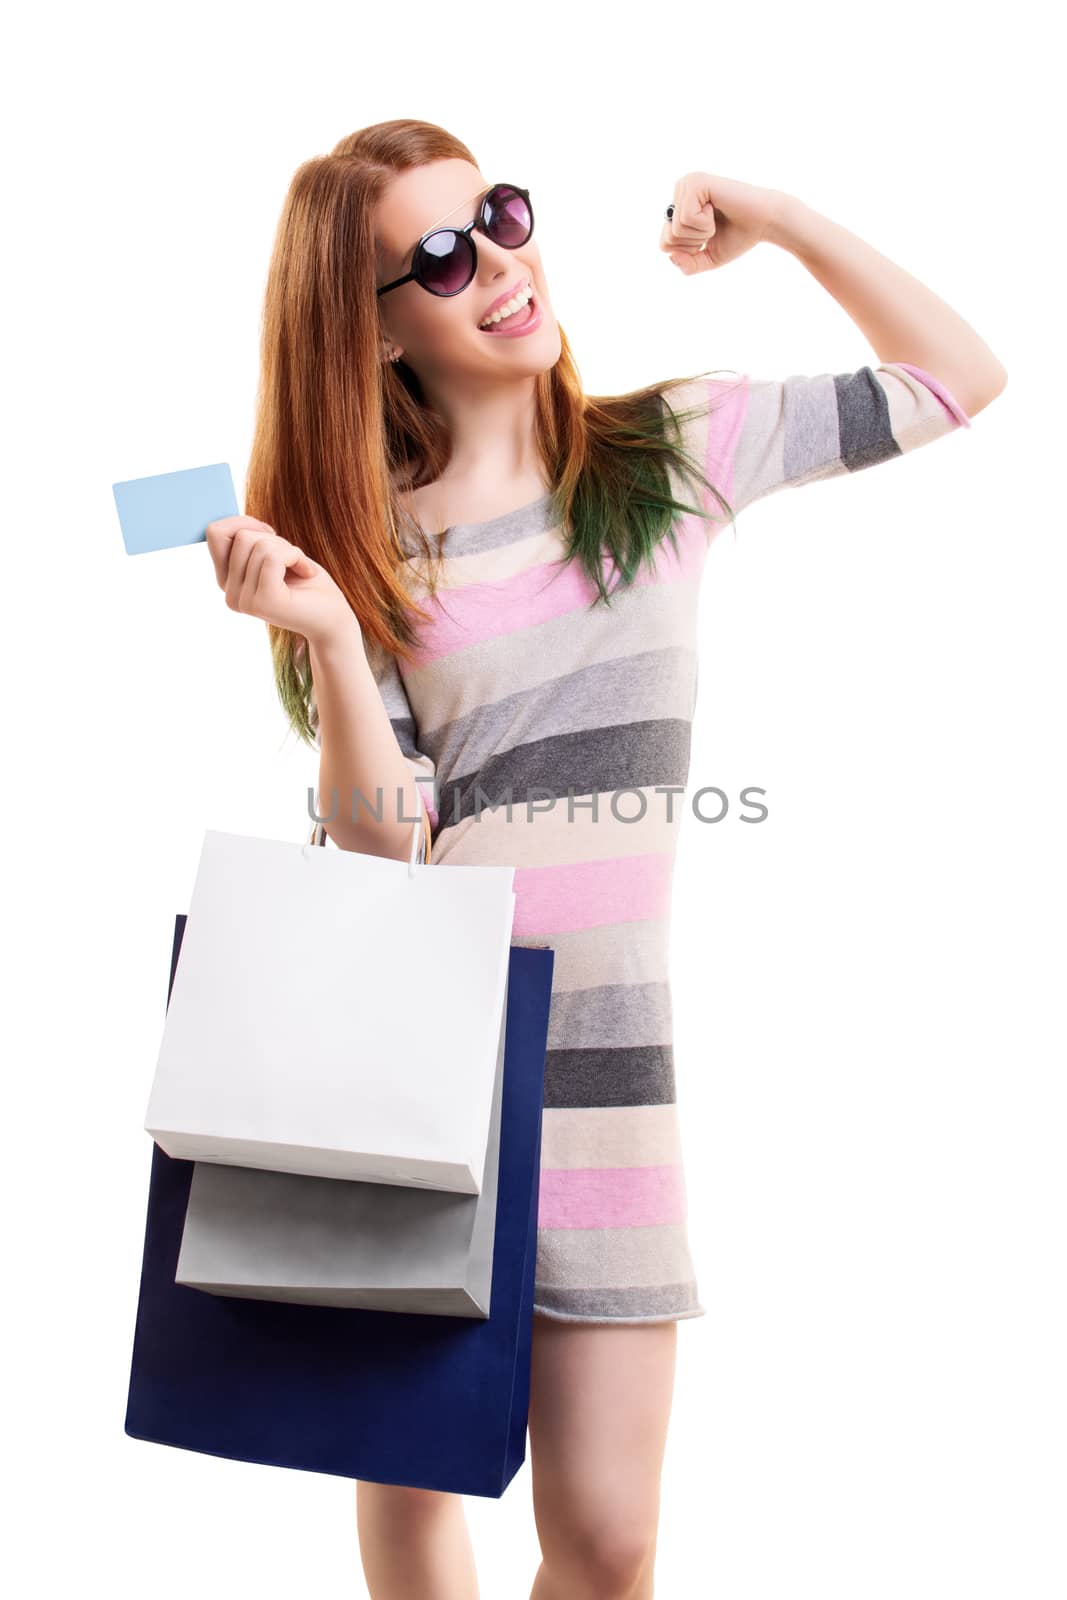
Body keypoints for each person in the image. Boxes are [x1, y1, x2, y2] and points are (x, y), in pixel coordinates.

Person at [204, 119, 1006, 1600]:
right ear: (375, 335)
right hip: (430, 1063)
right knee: (418, 1471)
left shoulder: (668, 455)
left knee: (611, 1543)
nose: (499, 262)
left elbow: (961, 379)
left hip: (612, 1073)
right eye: (440, 257)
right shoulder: (362, 556)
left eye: (499, 215)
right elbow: (387, 852)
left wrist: (778, 210)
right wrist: (321, 634)